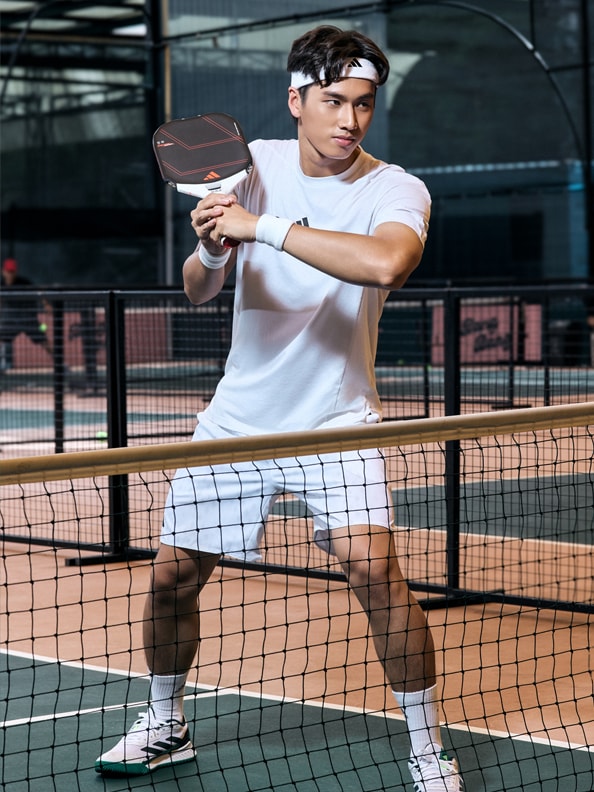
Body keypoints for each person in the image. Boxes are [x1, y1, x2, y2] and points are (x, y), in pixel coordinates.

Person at [96, 25, 463, 791]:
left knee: (376, 574)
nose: (350, 121)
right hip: (238, 421)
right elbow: (199, 290)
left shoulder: (393, 188)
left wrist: (258, 227)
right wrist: (211, 251)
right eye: (333, 101)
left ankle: (429, 752)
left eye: (363, 104)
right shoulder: (247, 164)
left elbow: (386, 261)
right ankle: (166, 724)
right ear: (295, 99)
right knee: (170, 580)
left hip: (336, 423)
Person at [0, 257, 53, 369]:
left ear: (16, 271)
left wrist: (46, 304)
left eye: (12, 271)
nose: (10, 274)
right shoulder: (1, 285)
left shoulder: (24, 282)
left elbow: (39, 291)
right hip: (10, 319)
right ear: (3, 271)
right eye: (8, 271)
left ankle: (59, 363)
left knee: (44, 341)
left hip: (28, 318)